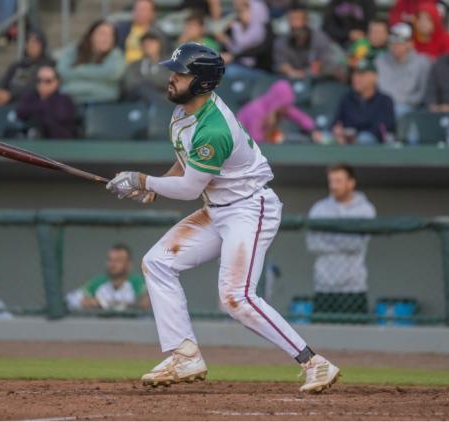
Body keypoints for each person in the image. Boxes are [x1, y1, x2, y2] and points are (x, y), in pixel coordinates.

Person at [105, 42, 341, 393]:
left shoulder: (214, 128)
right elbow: (187, 165)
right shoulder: (183, 111)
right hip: (218, 208)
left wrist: (142, 181)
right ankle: (184, 353)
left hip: (249, 208)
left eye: (180, 74)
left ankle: (314, 362)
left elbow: (187, 188)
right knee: (157, 263)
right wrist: (154, 187)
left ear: (201, 82)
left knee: (236, 298)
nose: (171, 78)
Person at [306, 163, 376, 321]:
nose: (333, 186)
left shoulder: (365, 209)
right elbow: (313, 244)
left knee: (357, 340)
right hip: (323, 286)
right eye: (331, 181)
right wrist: (343, 237)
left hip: (354, 288)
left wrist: (328, 237)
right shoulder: (319, 208)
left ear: (351, 183)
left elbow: (356, 245)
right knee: (321, 339)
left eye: (338, 181)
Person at [56, 20, 126, 104]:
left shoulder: (116, 55)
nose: (106, 38)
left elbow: (112, 73)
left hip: (105, 104)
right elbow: (62, 71)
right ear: (91, 35)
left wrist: (79, 69)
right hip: (70, 103)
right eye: (102, 33)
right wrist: (98, 78)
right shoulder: (73, 51)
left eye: (111, 35)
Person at [66, 244, 150, 311]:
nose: (113, 264)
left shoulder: (136, 281)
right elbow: (71, 299)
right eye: (110, 260)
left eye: (118, 261)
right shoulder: (99, 281)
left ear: (129, 264)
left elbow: (147, 302)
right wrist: (86, 302)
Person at [332, 59, 395, 144]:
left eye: (361, 74)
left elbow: (381, 129)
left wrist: (355, 137)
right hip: (345, 142)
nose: (355, 78)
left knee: (364, 138)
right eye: (354, 74)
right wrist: (338, 131)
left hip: (373, 149)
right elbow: (336, 122)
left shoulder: (384, 100)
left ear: (374, 77)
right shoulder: (346, 99)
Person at [376, 23, 432, 117]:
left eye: (400, 42)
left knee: (399, 110)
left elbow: (423, 93)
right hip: (382, 107)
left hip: (411, 109)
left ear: (410, 44)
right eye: (392, 42)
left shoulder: (422, 62)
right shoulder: (379, 61)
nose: (396, 46)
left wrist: (403, 101)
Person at [274, 3, 340, 79]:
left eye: (299, 19)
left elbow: (329, 61)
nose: (296, 24)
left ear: (306, 20)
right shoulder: (281, 41)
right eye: (292, 19)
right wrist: (288, 70)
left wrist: (319, 66)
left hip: (317, 81)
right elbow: (280, 63)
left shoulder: (319, 38)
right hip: (291, 80)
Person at [237, 79, 316, 143]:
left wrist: (312, 131)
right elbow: (255, 140)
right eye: (283, 105)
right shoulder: (255, 111)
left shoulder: (283, 107)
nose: (286, 109)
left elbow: (303, 119)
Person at [0, 29, 54, 107]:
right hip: (8, 105)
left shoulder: (48, 66)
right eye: (28, 41)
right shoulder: (16, 66)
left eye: (36, 42)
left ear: (42, 44)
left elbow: (37, 89)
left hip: (32, 108)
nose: (32, 45)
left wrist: (11, 96)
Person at [15, 65, 76, 139]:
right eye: (39, 80)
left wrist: (37, 110)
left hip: (58, 143)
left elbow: (60, 117)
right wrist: (44, 109)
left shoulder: (64, 99)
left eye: (48, 81)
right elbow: (20, 112)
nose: (42, 84)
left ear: (57, 82)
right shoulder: (29, 97)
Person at [215, 0, 273, 73]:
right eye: (240, 12)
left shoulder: (261, 30)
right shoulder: (240, 27)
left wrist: (234, 55)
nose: (241, 15)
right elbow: (235, 49)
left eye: (244, 12)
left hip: (257, 68)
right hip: (239, 63)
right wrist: (226, 41)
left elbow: (243, 44)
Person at [123, 32, 171, 103]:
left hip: (164, 104)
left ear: (161, 44)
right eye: (144, 42)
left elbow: (170, 81)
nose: (148, 44)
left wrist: (145, 82)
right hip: (137, 103)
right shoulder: (134, 66)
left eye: (152, 41)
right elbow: (129, 84)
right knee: (142, 89)